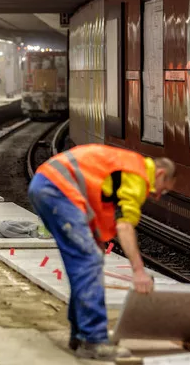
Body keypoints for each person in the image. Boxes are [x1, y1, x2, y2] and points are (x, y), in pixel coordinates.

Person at [27, 145, 177, 360]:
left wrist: (97, 242)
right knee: (88, 262)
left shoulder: (127, 166)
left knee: (84, 263)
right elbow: (124, 227)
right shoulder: (138, 176)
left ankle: (80, 335)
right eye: (163, 189)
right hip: (58, 189)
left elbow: (96, 204)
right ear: (160, 174)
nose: (157, 196)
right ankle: (94, 340)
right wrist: (138, 271)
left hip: (48, 185)